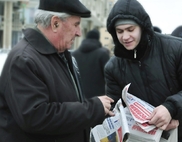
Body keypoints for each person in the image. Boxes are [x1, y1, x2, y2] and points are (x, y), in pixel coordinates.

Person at [0, 0, 114, 141]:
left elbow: (66, 102)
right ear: (55, 23)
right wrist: (93, 108)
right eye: (76, 24)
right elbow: (36, 117)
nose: (79, 33)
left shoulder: (60, 54)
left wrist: (97, 111)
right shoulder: (24, 59)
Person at [104, 0, 182, 141]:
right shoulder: (113, 67)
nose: (125, 37)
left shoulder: (176, 48)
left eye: (130, 29)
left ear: (142, 27)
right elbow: (116, 108)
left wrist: (171, 109)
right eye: (120, 31)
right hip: (144, 138)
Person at [72, 29, 110, 98]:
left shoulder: (74, 54)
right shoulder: (103, 54)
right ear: (98, 38)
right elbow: (108, 77)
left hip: (78, 97)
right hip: (98, 98)